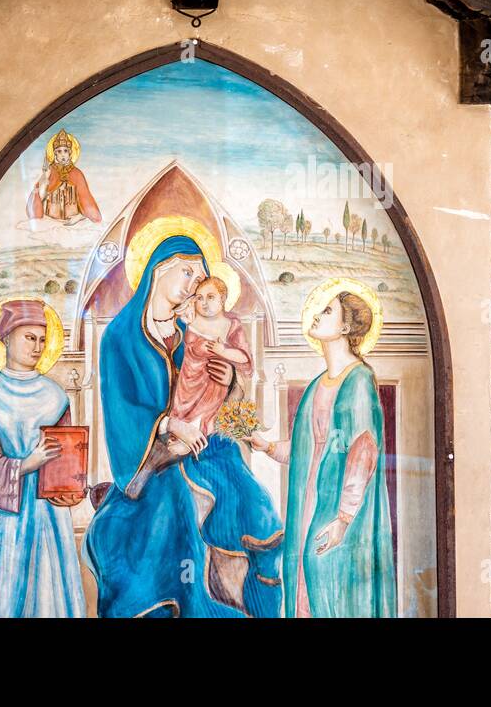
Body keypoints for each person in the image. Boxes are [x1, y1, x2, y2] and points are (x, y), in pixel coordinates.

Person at [84, 230, 283, 617]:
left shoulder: (190, 330)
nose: (194, 285)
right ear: (159, 269)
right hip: (153, 460)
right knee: (171, 526)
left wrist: (231, 383)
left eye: (200, 277)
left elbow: (227, 400)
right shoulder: (122, 337)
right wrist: (171, 426)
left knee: (258, 513)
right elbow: (123, 408)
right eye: (188, 273)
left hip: (207, 447)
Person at [251, 286, 395, 617]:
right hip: (309, 507)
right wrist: (268, 446)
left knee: (332, 586)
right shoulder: (318, 384)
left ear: (346, 328)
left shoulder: (358, 380)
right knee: (304, 586)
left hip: (340, 512)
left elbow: (363, 453)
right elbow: (307, 452)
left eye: (328, 310)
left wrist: (343, 519)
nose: (318, 314)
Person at [0, 298, 86, 617]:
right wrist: (24, 465)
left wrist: (68, 486)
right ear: (7, 338)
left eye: (42, 340)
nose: (38, 347)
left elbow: (65, 460)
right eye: (29, 338)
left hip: (45, 515)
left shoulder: (55, 396)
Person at [166, 275, 252, 457]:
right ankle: (179, 436)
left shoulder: (231, 325)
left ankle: (197, 435)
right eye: (199, 298)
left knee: (208, 409)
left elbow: (244, 357)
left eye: (210, 297)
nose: (204, 303)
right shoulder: (189, 321)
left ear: (223, 299)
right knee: (181, 406)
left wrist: (223, 351)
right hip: (188, 378)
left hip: (213, 380)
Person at [27, 128, 101, 223]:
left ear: (70, 153)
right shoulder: (50, 172)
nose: (62, 154)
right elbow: (38, 198)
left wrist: (79, 217)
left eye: (65, 151)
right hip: (50, 222)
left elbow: (86, 201)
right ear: (55, 154)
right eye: (59, 151)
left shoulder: (77, 174)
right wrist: (45, 178)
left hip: (73, 223)